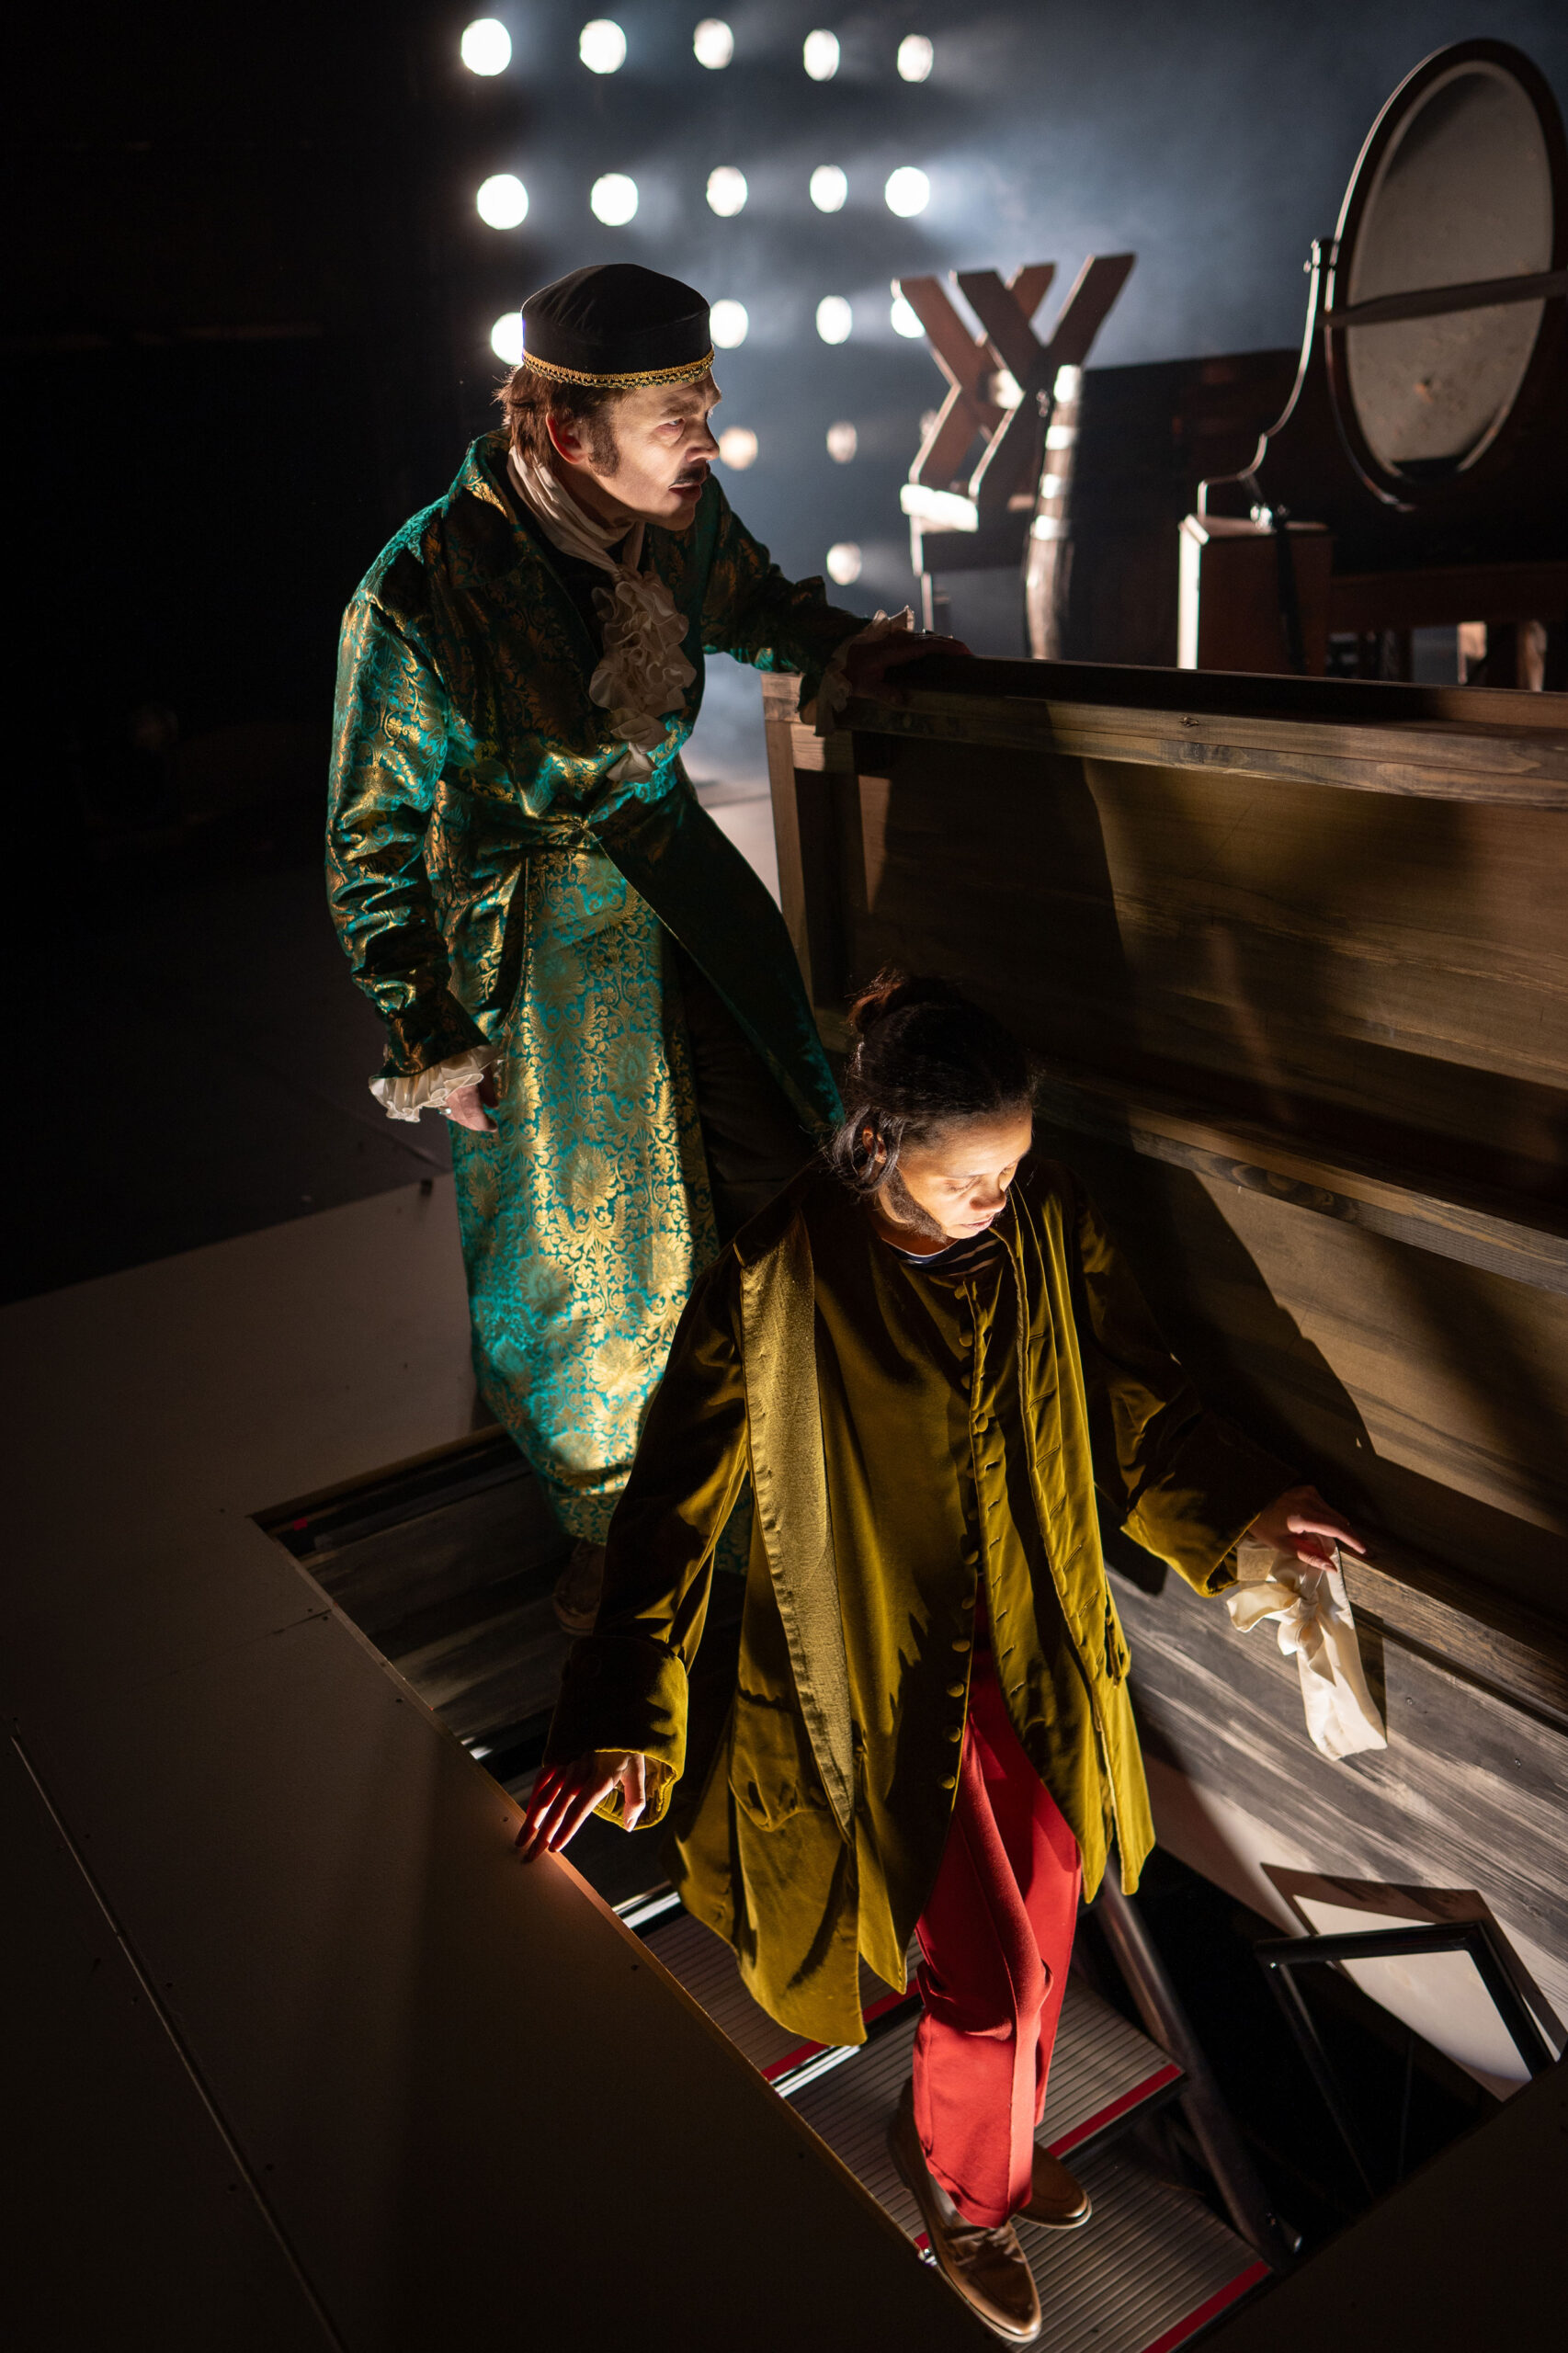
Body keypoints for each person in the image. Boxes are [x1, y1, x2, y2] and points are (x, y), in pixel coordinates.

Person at [519, 972, 1363, 2344]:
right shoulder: (779, 1276)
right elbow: (673, 1503)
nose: (997, 1197)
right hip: (877, 1673)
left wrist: (1252, 1505)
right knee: (987, 1980)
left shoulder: (1047, 1221)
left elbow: (1131, 1397)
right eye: (972, 1177)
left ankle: (989, 2150)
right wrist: (617, 1704)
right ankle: (966, 2196)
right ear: (878, 1145)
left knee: (1051, 1914)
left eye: (1011, 1169)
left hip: (1031, 1643)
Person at [327, 264, 960, 1630]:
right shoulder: (422, 588)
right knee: (588, 1259)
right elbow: (369, 838)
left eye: (707, 408)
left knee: (781, 1169)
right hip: (541, 952)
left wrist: (839, 649)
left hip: (685, 893)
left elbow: (752, 603)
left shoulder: (676, 521)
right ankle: (617, 1534)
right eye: (681, 418)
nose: (709, 443)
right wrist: (431, 1028)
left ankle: (802, 1465)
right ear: (569, 432)